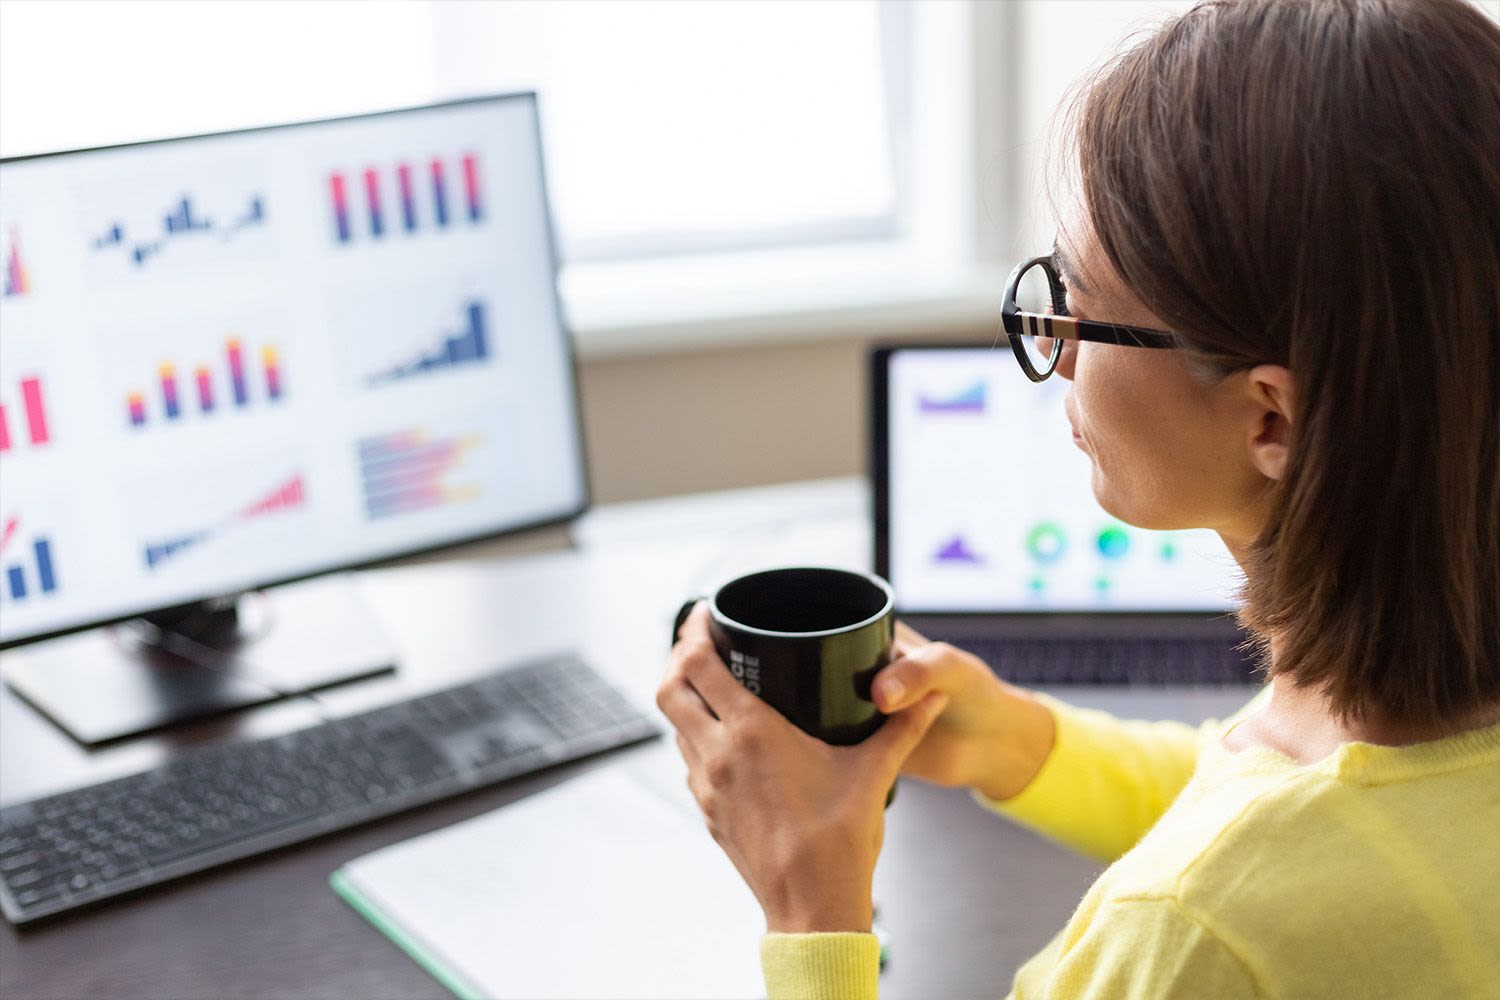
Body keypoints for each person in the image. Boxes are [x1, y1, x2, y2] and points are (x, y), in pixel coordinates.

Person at [657, 0, 1500, 996]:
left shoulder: (1187, 935)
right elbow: (1290, 798)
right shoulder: (1414, 704)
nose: (1052, 352)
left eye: (1080, 305)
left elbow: (1254, 872)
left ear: (1270, 419)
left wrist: (811, 907)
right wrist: (1014, 740)